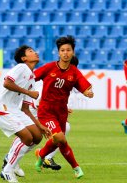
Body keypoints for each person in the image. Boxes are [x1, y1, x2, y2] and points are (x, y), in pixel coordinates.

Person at [1, 56, 80, 175]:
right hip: (34, 112)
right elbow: (39, 103)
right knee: (31, 137)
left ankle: (41, 157)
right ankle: (12, 159)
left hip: (39, 112)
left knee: (44, 136)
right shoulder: (52, 79)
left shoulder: (62, 80)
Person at [34, 36, 94, 179]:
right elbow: (31, 78)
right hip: (46, 110)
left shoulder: (74, 72)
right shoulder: (49, 67)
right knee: (60, 138)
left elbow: (84, 87)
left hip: (61, 112)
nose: (65, 53)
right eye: (62, 50)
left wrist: (88, 93)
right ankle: (77, 168)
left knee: (57, 141)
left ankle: (41, 155)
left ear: (73, 52)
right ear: (58, 53)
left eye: (68, 50)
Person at [0, 45, 51, 183]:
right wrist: (29, 92)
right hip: (3, 108)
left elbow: (26, 109)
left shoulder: (32, 77)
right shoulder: (20, 67)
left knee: (37, 136)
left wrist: (40, 126)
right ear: (24, 58)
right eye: (30, 51)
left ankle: (11, 158)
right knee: (26, 137)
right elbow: (7, 83)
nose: (35, 52)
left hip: (15, 110)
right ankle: (7, 170)